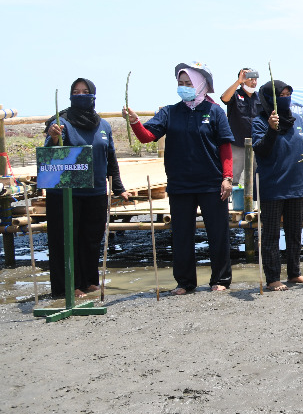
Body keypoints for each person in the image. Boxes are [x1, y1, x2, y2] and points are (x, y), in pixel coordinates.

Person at [124, 63, 235, 294]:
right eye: (181, 84)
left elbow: (225, 147)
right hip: (180, 184)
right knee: (182, 235)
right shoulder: (169, 112)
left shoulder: (215, 112)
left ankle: (220, 280)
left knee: (218, 233)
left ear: (201, 85)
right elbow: (147, 137)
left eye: (189, 84)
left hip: (211, 184)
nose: (184, 88)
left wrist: (227, 178)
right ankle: (185, 282)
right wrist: (135, 121)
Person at [43, 78, 131, 298]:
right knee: (66, 240)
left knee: (91, 239)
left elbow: (110, 157)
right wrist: (54, 137)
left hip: (96, 192)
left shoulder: (103, 125)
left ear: (93, 95)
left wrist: (119, 188)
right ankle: (67, 286)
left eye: (85, 92)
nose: (81, 95)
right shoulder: (61, 122)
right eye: (76, 91)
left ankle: (89, 280)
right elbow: (51, 150)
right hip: (66, 193)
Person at [252, 78, 303, 290]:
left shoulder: (297, 120)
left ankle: (294, 273)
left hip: (295, 185)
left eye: (288, 95)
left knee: (295, 232)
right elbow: (260, 149)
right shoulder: (260, 121)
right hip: (271, 187)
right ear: (270, 99)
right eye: (281, 96)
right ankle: (272, 279)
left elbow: (302, 146)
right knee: (270, 235)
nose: (286, 99)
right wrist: (271, 128)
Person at [219, 67, 259, 192]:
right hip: (237, 143)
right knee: (233, 175)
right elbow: (224, 98)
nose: (254, 82)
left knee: (257, 175)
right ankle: (231, 201)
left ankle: (255, 202)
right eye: (250, 79)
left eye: (255, 79)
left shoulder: (260, 97)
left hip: (256, 144)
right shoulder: (235, 95)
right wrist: (238, 82)